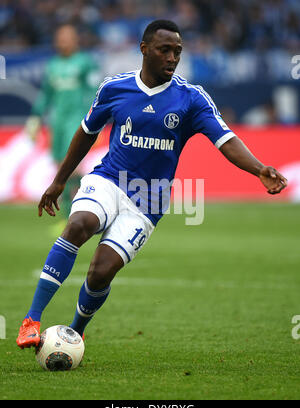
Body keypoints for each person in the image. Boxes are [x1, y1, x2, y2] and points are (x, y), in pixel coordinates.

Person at [16, 20, 287, 349]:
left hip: (149, 200)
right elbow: (86, 133)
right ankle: (31, 320)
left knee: (100, 272)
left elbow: (226, 140)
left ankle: (75, 331)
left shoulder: (191, 99)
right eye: (165, 50)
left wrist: (259, 169)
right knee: (78, 225)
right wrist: (59, 181)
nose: (172, 58)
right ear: (144, 50)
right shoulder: (114, 89)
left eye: (178, 52)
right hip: (109, 179)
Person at [26, 24, 98, 223]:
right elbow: (45, 96)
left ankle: (85, 209)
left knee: (72, 167)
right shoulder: (52, 66)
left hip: (75, 121)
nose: (62, 41)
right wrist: (35, 118)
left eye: (67, 37)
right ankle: (68, 216)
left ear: (75, 40)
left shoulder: (85, 63)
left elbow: (94, 93)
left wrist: (95, 121)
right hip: (57, 122)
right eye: (60, 37)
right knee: (60, 168)